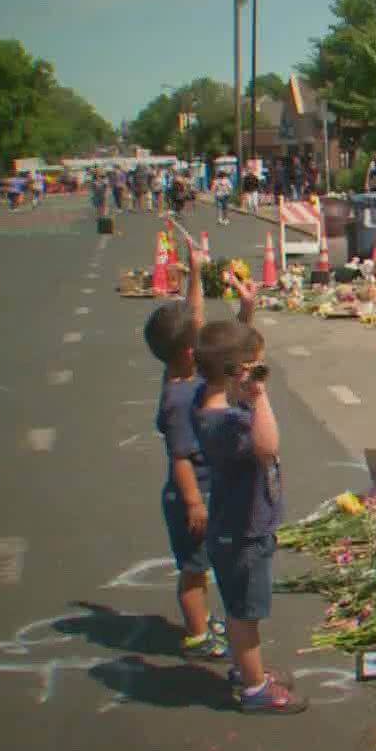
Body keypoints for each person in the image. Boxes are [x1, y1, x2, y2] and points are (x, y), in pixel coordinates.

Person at [142, 222, 255, 666]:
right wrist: (193, 502)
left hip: (212, 488)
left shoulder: (183, 370)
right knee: (194, 569)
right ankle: (196, 633)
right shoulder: (178, 398)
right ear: (192, 352)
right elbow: (181, 458)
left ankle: (205, 622)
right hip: (193, 493)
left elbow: (202, 323)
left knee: (207, 561)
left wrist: (193, 269)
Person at [191, 317, 306, 714]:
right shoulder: (228, 425)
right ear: (237, 374)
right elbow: (268, 446)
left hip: (237, 527)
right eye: (254, 367)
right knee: (245, 613)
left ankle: (248, 667)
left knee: (243, 607)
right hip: (243, 532)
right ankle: (254, 687)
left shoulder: (206, 401)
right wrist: (259, 397)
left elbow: (219, 350)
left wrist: (246, 310)